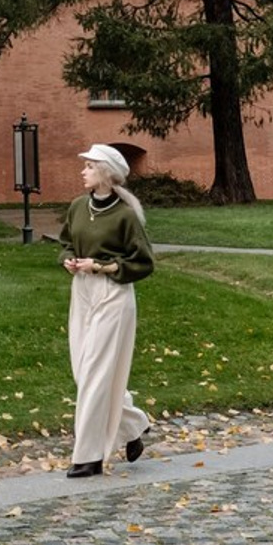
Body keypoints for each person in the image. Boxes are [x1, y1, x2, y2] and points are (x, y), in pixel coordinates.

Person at [58, 143, 155, 479]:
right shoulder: (77, 207)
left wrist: (103, 267)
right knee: (83, 373)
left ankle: (88, 456)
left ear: (105, 173)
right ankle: (133, 425)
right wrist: (69, 261)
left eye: (88, 166)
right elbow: (66, 242)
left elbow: (143, 262)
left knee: (97, 373)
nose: (82, 170)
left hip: (113, 293)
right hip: (81, 290)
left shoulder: (126, 216)